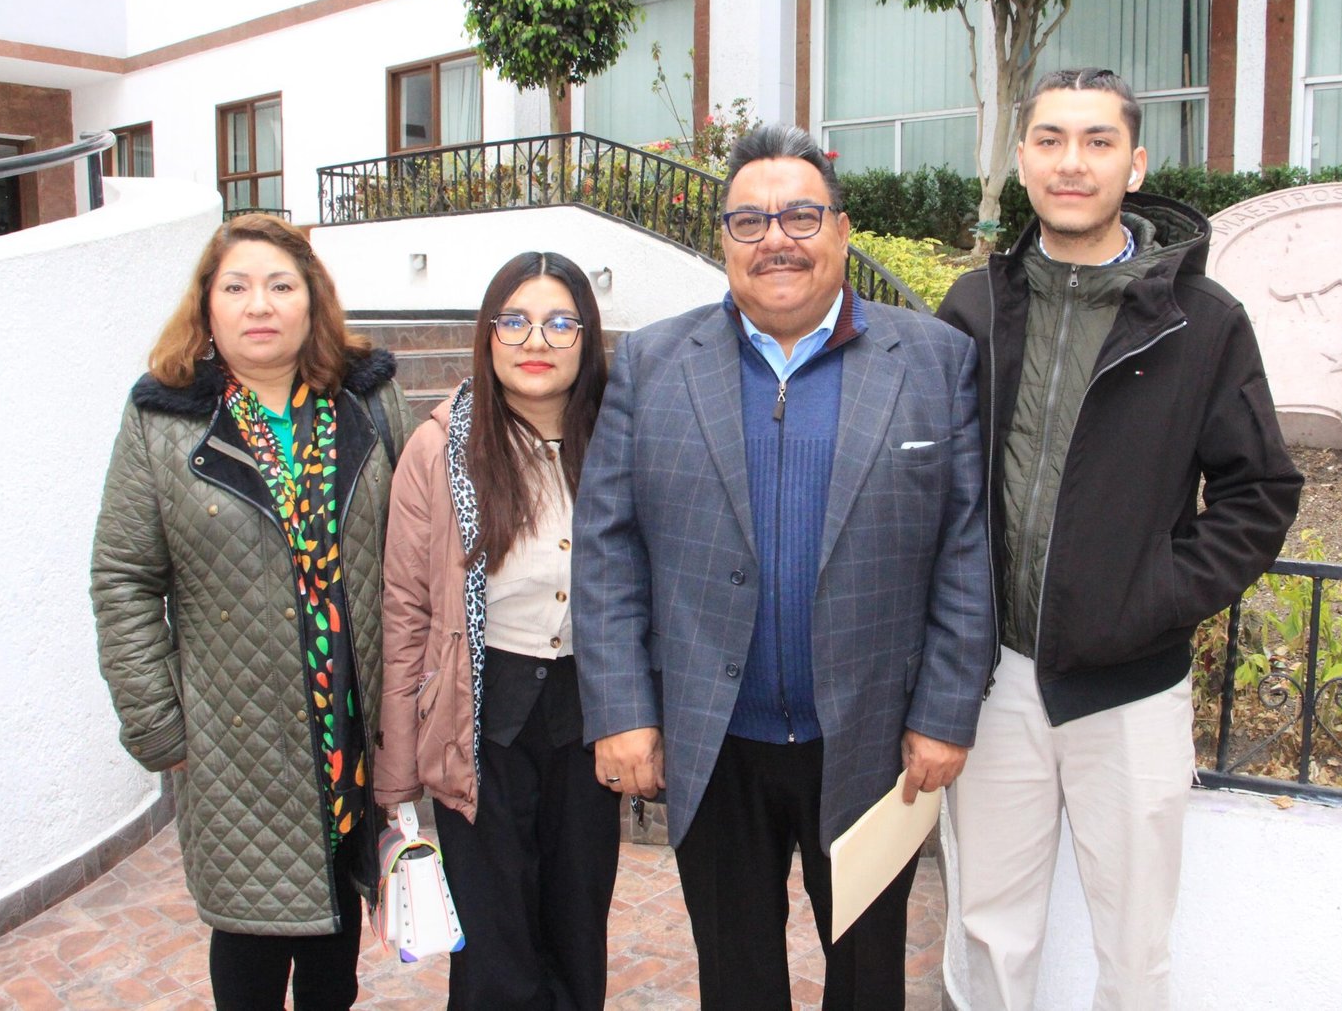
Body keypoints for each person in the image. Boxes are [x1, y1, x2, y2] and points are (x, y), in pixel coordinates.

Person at [573, 123, 994, 1010]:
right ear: (724, 241)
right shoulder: (652, 363)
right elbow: (608, 547)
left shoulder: (934, 360)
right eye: (750, 221)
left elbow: (964, 548)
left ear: (841, 229)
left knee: (868, 981)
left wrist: (945, 712)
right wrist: (622, 709)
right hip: (713, 738)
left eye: (801, 216)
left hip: (874, 740)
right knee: (736, 980)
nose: (777, 240)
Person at [936, 67, 1305, 1010]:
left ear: (1134, 166)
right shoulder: (973, 308)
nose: (1073, 161)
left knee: (1135, 951)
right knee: (988, 933)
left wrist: (1153, 599)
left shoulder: (1203, 323)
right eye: (1050, 139)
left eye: (1097, 141)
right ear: (1023, 161)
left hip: (1131, 688)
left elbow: (1261, 491)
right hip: (995, 681)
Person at [91, 213, 413, 1010]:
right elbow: (124, 576)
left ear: (312, 299)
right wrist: (160, 725)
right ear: (208, 306)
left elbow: (416, 550)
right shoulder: (163, 421)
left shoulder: (367, 403)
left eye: (279, 284)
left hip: (349, 732)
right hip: (234, 749)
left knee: (335, 952)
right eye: (236, 287)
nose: (259, 304)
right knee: (248, 957)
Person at [373, 252, 618, 1009]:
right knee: (495, 948)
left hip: (591, 712)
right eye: (514, 321)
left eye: (559, 322)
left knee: (577, 926)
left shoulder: (619, 439)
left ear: (586, 336)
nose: (535, 340)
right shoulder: (440, 448)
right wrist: (398, 768)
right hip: (478, 717)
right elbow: (406, 609)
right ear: (487, 333)